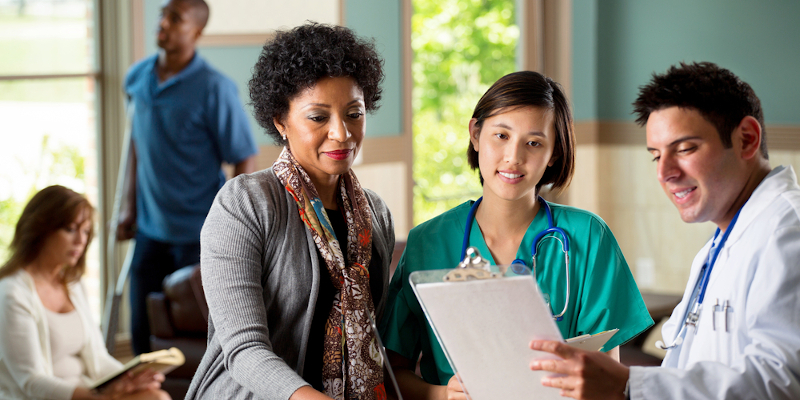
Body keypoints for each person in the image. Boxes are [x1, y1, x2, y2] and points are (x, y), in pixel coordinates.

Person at [529, 61, 800, 399]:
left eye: (685, 149)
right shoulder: (725, 239)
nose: (665, 173)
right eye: (656, 155)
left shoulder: (788, 234)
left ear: (746, 139)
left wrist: (628, 386)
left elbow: (781, 382)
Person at [379, 71, 654, 400]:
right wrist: (441, 396)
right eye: (501, 136)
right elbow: (392, 373)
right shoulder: (428, 242)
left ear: (553, 153)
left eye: (534, 143)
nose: (514, 156)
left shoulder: (589, 237)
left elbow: (606, 381)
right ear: (475, 134)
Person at [185, 23, 394, 400]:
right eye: (318, 117)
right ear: (281, 121)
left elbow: (383, 337)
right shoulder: (244, 203)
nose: (342, 133)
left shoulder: (375, 213)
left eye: (353, 113)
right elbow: (244, 350)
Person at [117, 0, 259, 355]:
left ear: (196, 31)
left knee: (200, 338)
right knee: (143, 331)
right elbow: (137, 145)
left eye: (174, 18)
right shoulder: (136, 78)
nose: (162, 22)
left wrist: (229, 226)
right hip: (149, 230)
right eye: (162, 14)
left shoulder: (215, 89)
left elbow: (244, 159)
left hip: (197, 235)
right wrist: (127, 207)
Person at [0, 185, 170, 400]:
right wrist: (98, 398)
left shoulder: (72, 284)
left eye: (86, 231)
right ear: (40, 229)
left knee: (155, 396)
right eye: (71, 229)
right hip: (50, 397)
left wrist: (128, 379)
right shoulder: (11, 293)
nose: (81, 241)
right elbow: (31, 382)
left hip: (89, 391)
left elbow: (98, 358)